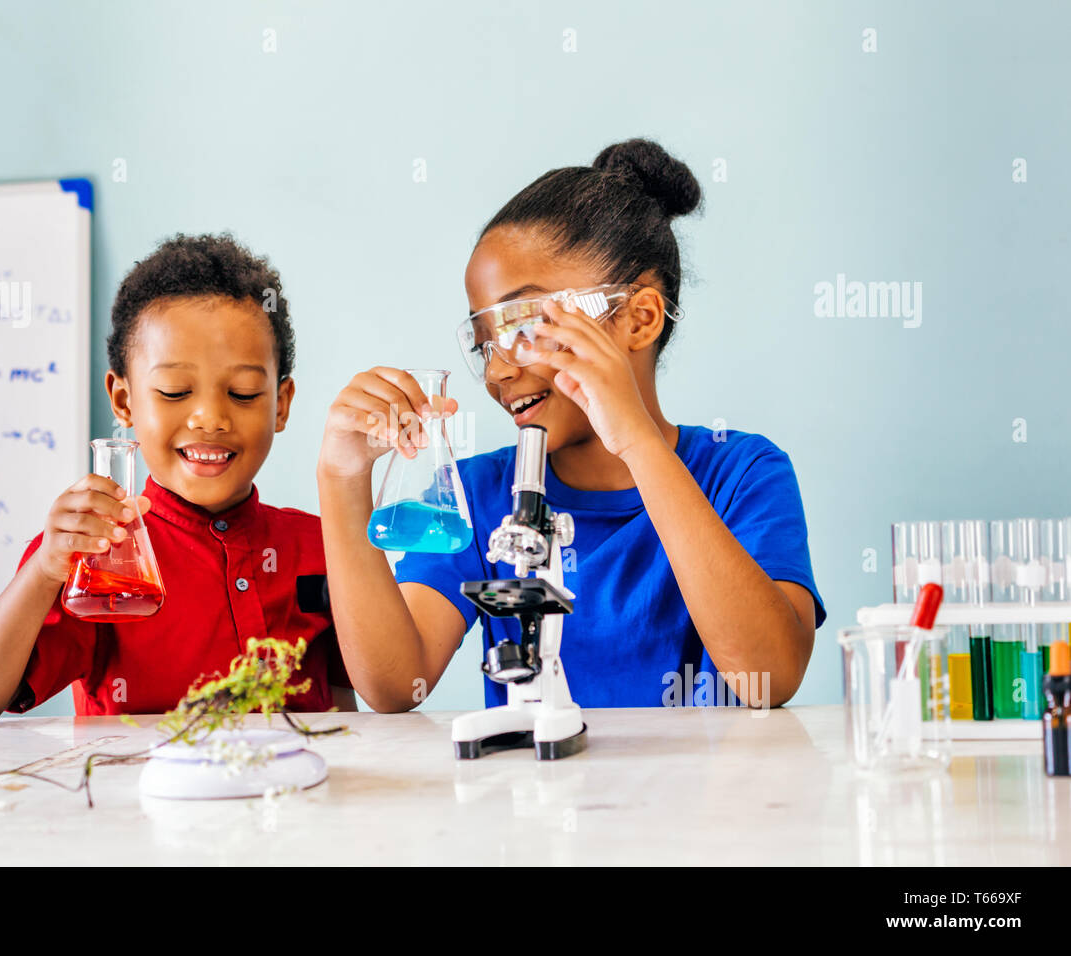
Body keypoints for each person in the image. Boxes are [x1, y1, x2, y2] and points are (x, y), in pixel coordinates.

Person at [316, 138, 825, 712]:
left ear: (639, 318)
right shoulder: (478, 495)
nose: (499, 370)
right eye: (484, 345)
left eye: (525, 327)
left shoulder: (743, 473)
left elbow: (771, 675)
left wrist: (634, 439)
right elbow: (392, 684)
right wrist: (341, 478)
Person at [0, 234, 354, 725]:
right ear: (123, 400)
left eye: (243, 393)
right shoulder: (93, 554)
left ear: (281, 404)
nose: (210, 418)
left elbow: (356, 711)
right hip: (137, 800)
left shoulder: (321, 546)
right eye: (175, 391)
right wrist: (45, 570)